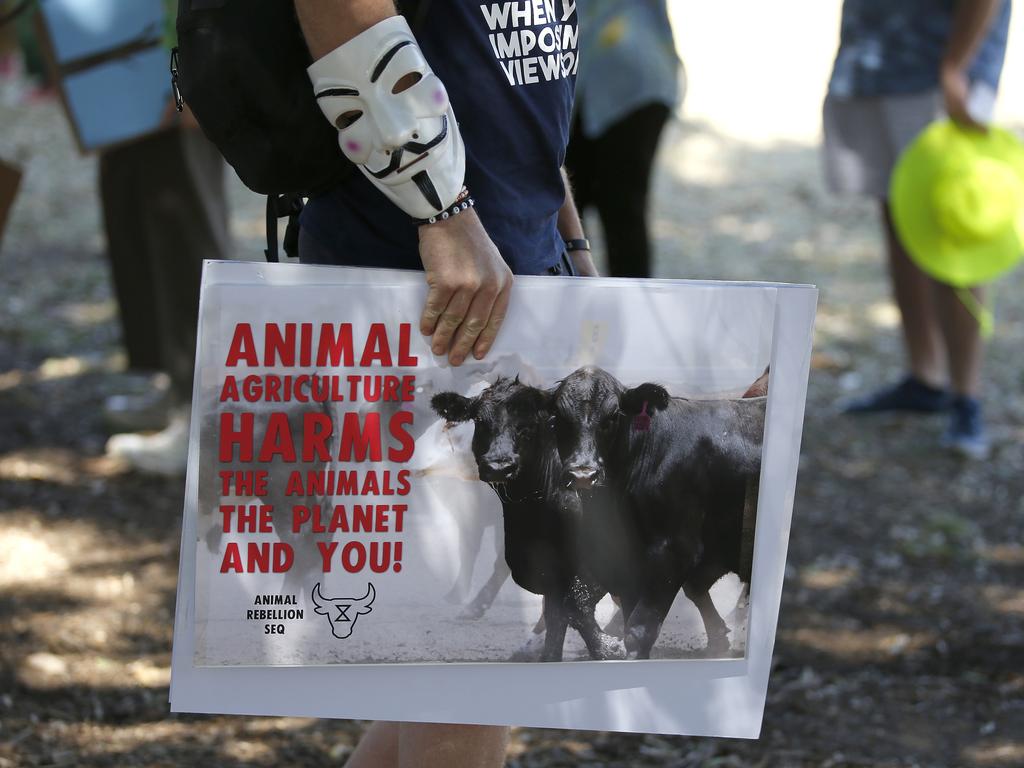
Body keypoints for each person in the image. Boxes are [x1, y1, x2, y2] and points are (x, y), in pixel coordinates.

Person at [292, 0, 589, 763]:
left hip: (508, 265)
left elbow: (514, 78)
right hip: (424, 274)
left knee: (441, 678)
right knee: (465, 673)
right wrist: (443, 210)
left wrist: (570, 240)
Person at [823, 0, 1012, 459]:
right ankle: (924, 377)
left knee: (953, 235)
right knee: (900, 221)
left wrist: (955, 64)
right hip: (874, 61)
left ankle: (967, 399)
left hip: (939, 71)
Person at [565, 0, 681, 278]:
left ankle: (626, 315)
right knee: (582, 209)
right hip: (618, 71)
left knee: (620, 212)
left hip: (630, 77)